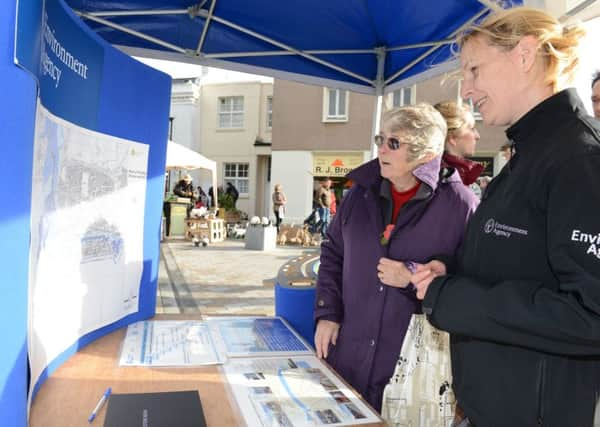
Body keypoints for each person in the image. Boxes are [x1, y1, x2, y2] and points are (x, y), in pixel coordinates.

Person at [412, 7, 600, 427]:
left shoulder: (580, 159)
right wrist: (452, 272)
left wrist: (454, 298)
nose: (467, 89)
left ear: (525, 54)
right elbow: (523, 263)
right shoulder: (527, 157)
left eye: (475, 70)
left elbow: (591, 313)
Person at [313, 103, 479, 412]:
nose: (381, 151)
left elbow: (471, 282)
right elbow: (333, 253)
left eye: (394, 143)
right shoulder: (359, 194)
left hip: (411, 374)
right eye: (380, 140)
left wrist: (413, 275)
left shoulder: (461, 205)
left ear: (427, 153)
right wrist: (328, 312)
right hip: (348, 355)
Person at [434, 101, 484, 188]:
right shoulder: (447, 180)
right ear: (452, 138)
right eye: (471, 128)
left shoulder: (436, 174)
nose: (477, 136)